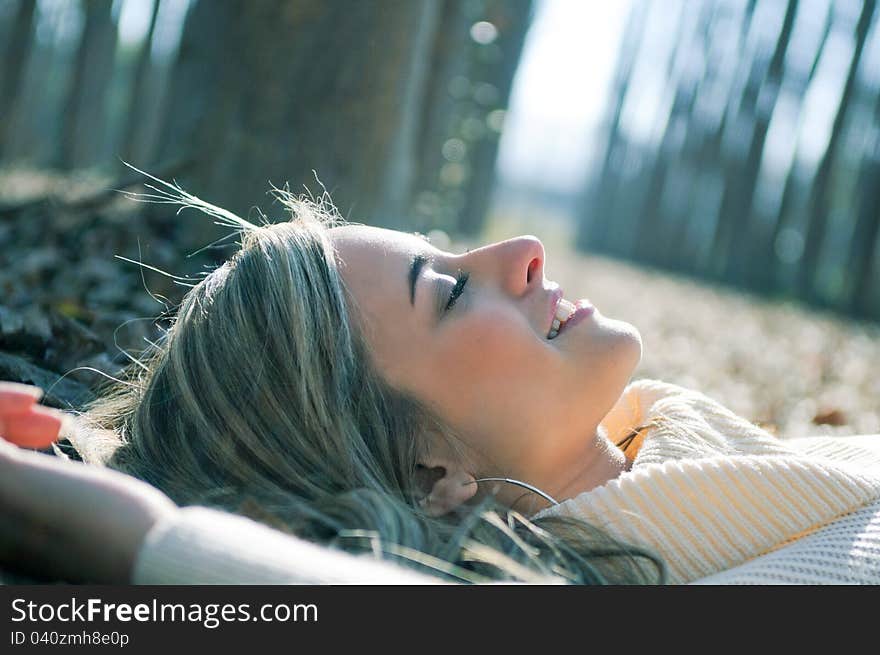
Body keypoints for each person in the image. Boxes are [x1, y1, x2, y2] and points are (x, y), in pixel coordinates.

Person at [2, 175, 879, 585]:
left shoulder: (728, 464)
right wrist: (137, 537)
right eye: (453, 293)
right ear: (431, 474)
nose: (526, 253)